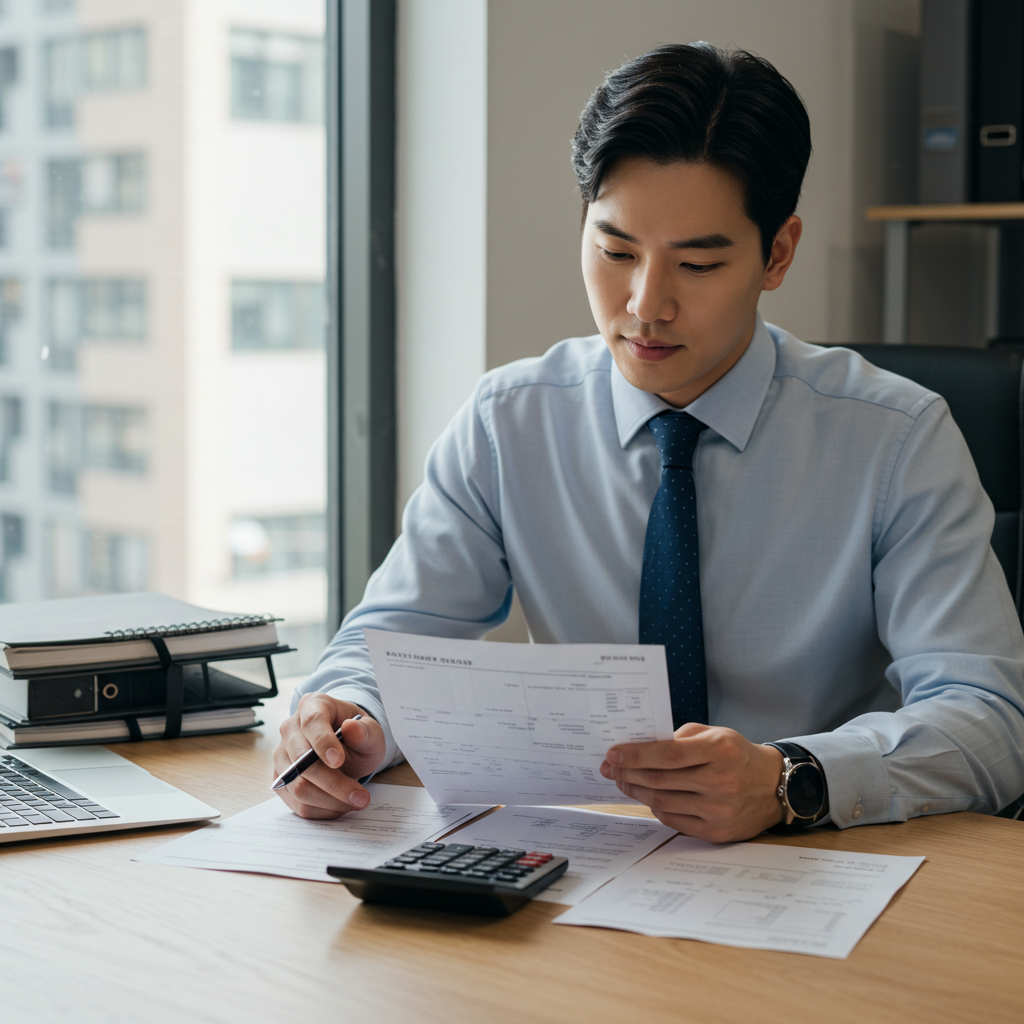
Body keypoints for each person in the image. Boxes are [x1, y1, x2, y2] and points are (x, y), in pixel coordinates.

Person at [274, 42, 1024, 842]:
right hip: (587, 859)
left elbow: (991, 720)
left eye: (698, 263)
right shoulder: (510, 421)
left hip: (821, 862)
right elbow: (387, 643)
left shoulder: (896, 439)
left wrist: (790, 778)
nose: (645, 304)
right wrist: (345, 719)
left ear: (778, 253)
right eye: (616, 251)